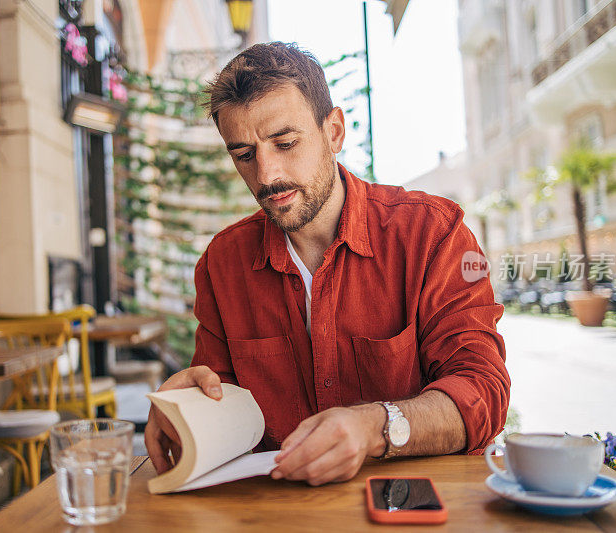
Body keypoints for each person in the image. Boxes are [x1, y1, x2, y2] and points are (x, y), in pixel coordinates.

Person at [145, 42, 510, 487]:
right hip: (279, 513)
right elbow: (223, 408)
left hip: (409, 507)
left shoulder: (431, 234)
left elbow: (483, 390)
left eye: (285, 142)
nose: (266, 174)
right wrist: (189, 417)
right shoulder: (223, 265)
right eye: (244, 155)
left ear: (334, 131)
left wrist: (375, 427)